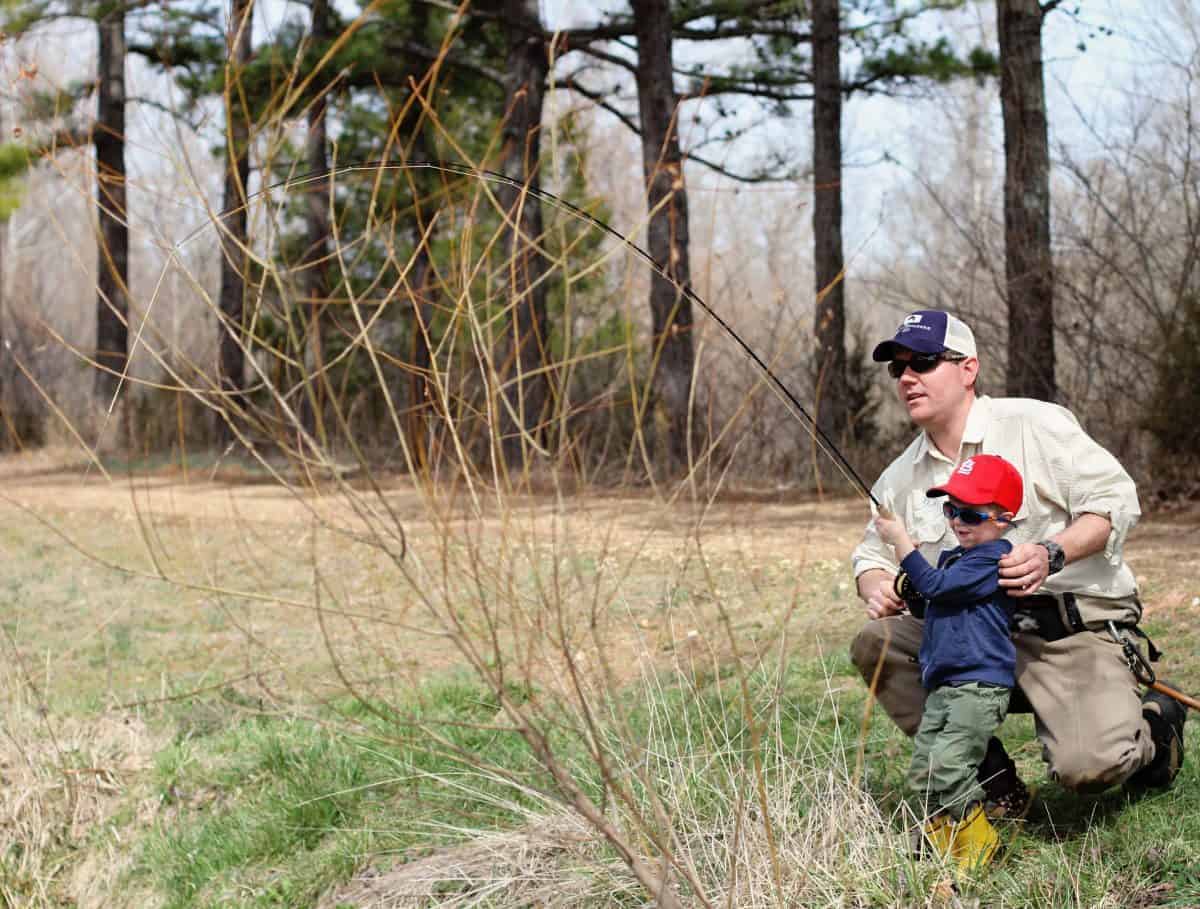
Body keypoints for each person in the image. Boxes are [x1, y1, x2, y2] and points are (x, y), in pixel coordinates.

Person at [850, 309, 1186, 814]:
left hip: (1066, 633)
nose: (908, 377)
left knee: (1089, 767)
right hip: (971, 642)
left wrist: (1052, 553)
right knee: (877, 643)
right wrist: (876, 584)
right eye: (898, 368)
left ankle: (1158, 729)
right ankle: (993, 783)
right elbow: (870, 556)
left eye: (923, 361)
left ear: (969, 369)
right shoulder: (900, 475)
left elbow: (1115, 501)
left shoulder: (1035, 424)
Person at [873, 453, 1024, 873]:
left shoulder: (993, 559)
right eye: (951, 509)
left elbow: (938, 585)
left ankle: (980, 846)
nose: (958, 521)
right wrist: (909, 587)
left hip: (977, 687)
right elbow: (933, 596)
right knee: (924, 772)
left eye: (971, 515)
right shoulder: (956, 559)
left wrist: (902, 545)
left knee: (951, 768)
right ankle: (941, 846)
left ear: (1003, 519)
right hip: (944, 685)